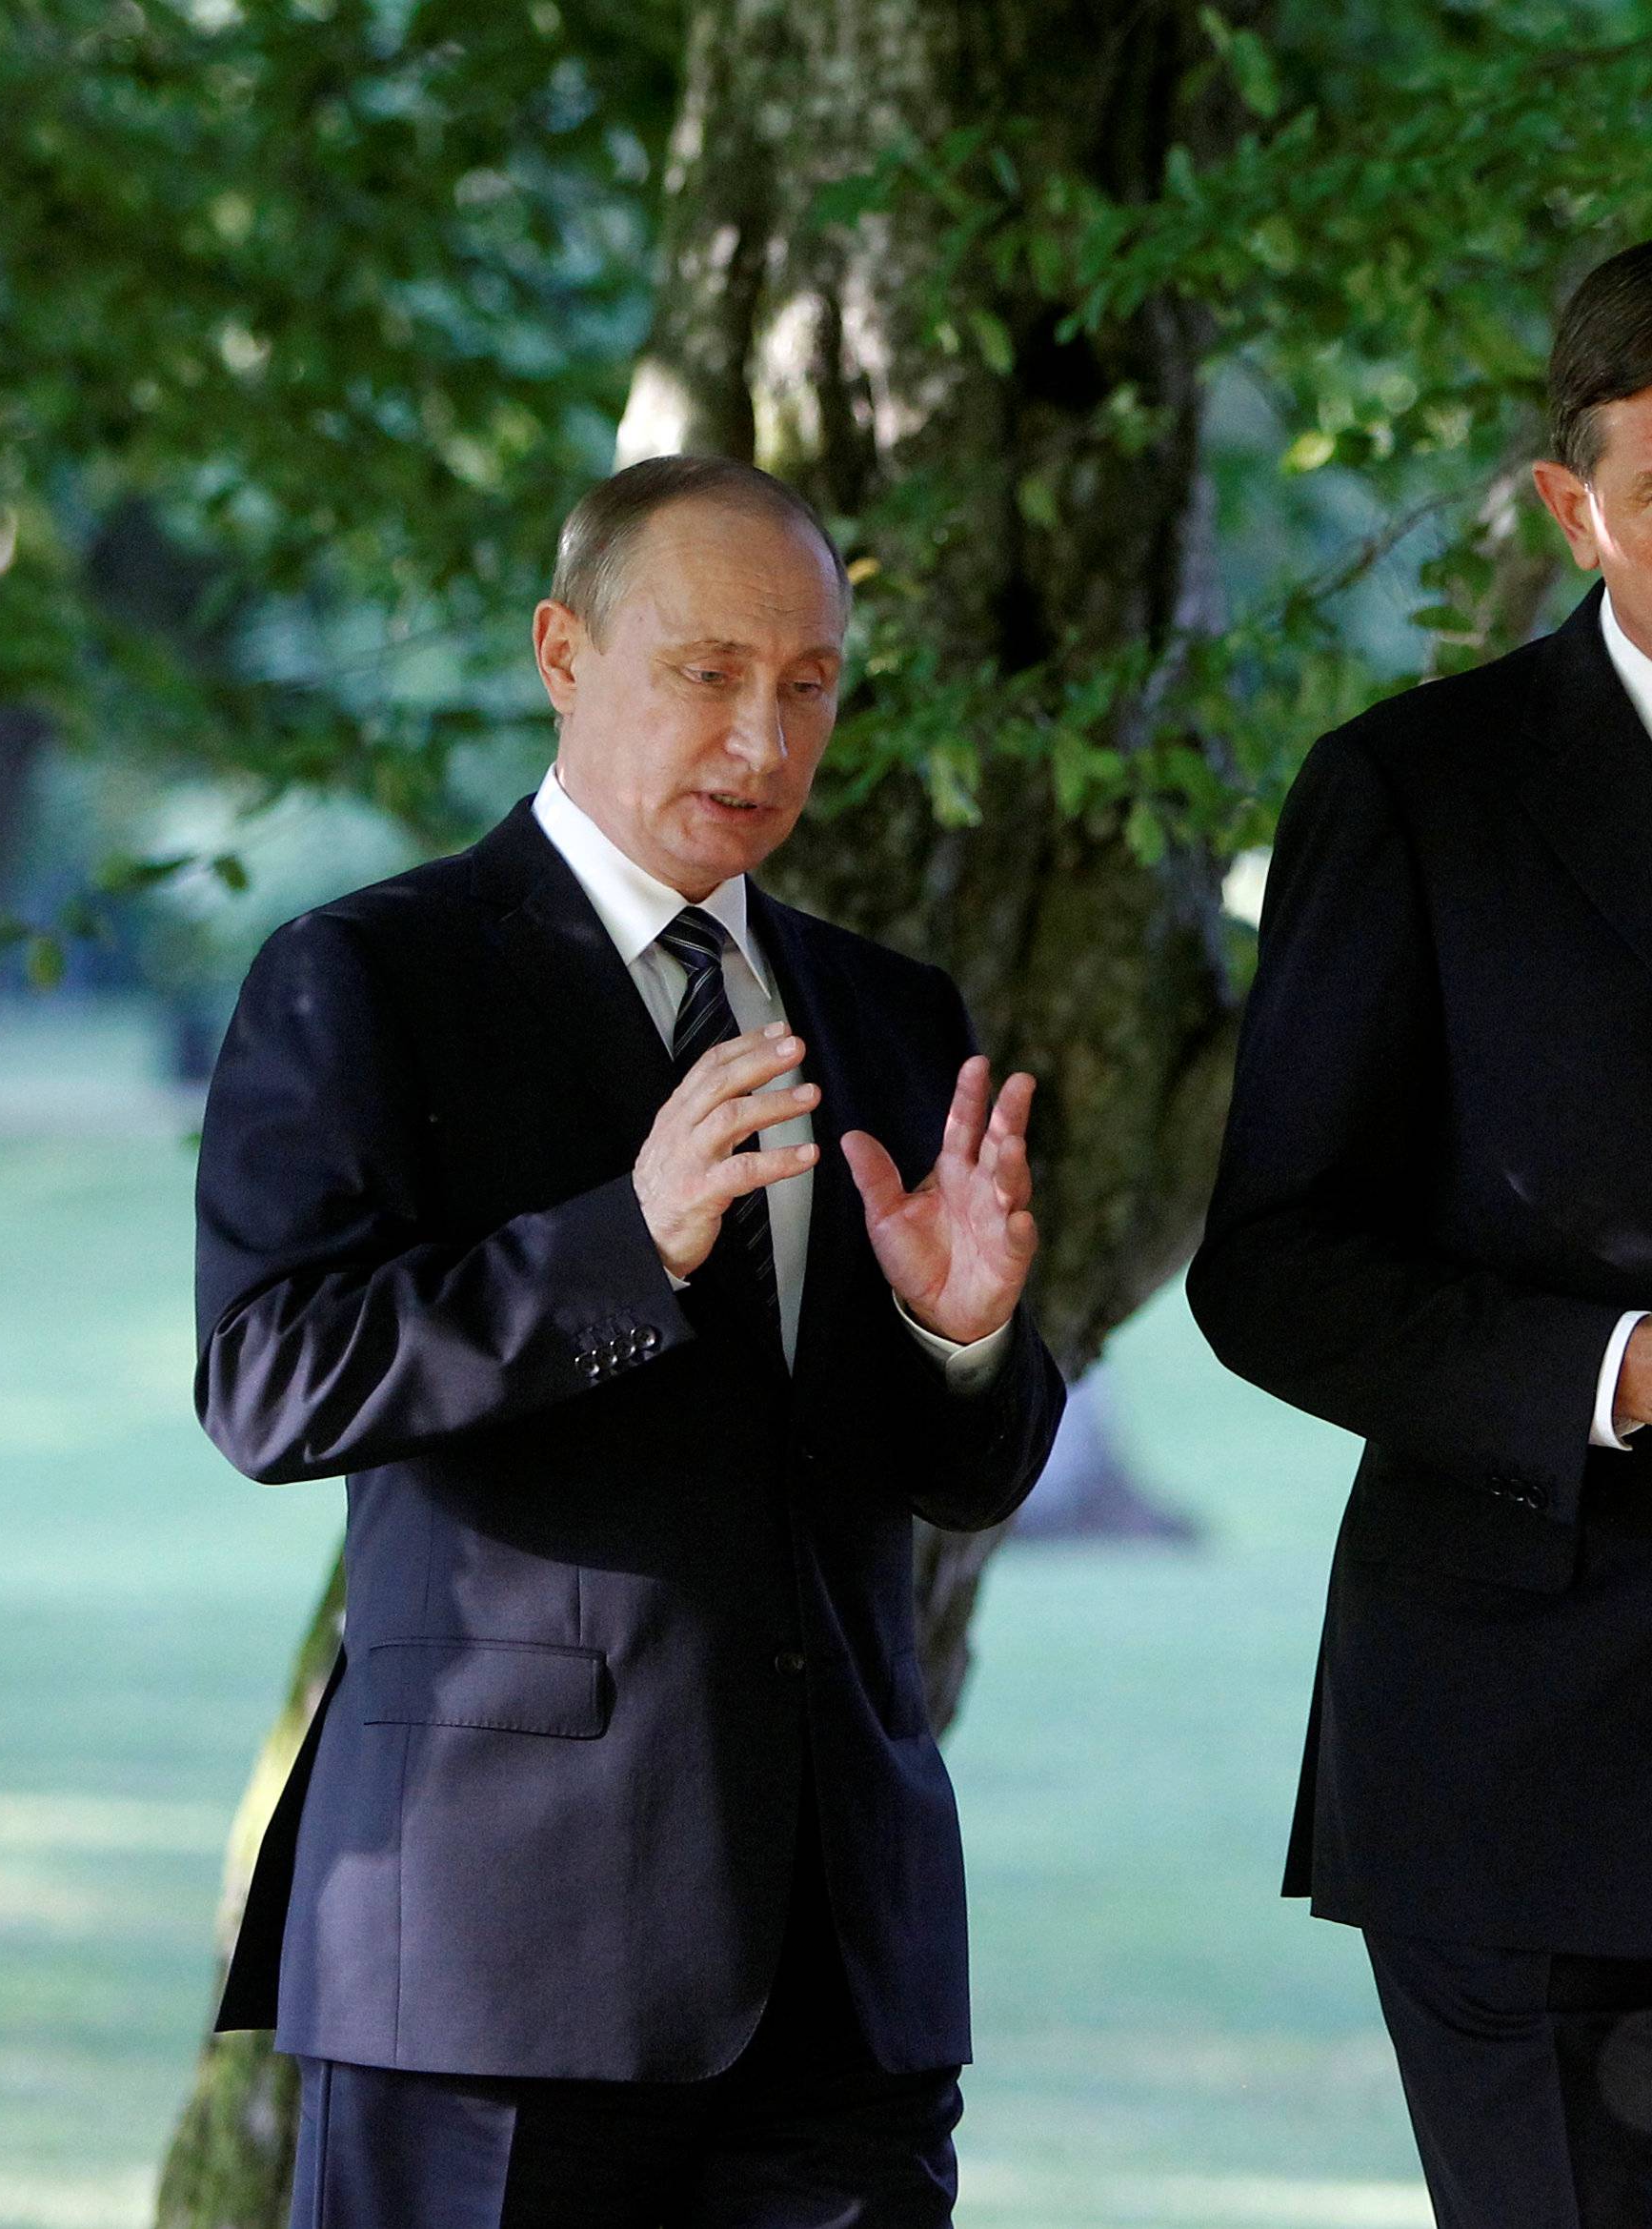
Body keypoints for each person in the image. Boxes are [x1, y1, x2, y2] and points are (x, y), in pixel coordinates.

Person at [192, 454, 1065, 2228]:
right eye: (709, 675)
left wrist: (959, 1335)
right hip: (498, 1963)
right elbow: (271, 1379)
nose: (764, 741)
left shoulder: (890, 1015)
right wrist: (626, 1244)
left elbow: (958, 1472)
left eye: (809, 686)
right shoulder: (367, 976)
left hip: (846, 1969)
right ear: (562, 654)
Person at [1186, 240, 1652, 2226]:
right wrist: (1618, 1377)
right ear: (1574, 507)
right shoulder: (1412, 795)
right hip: (1529, 1771)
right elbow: (1271, 1262)